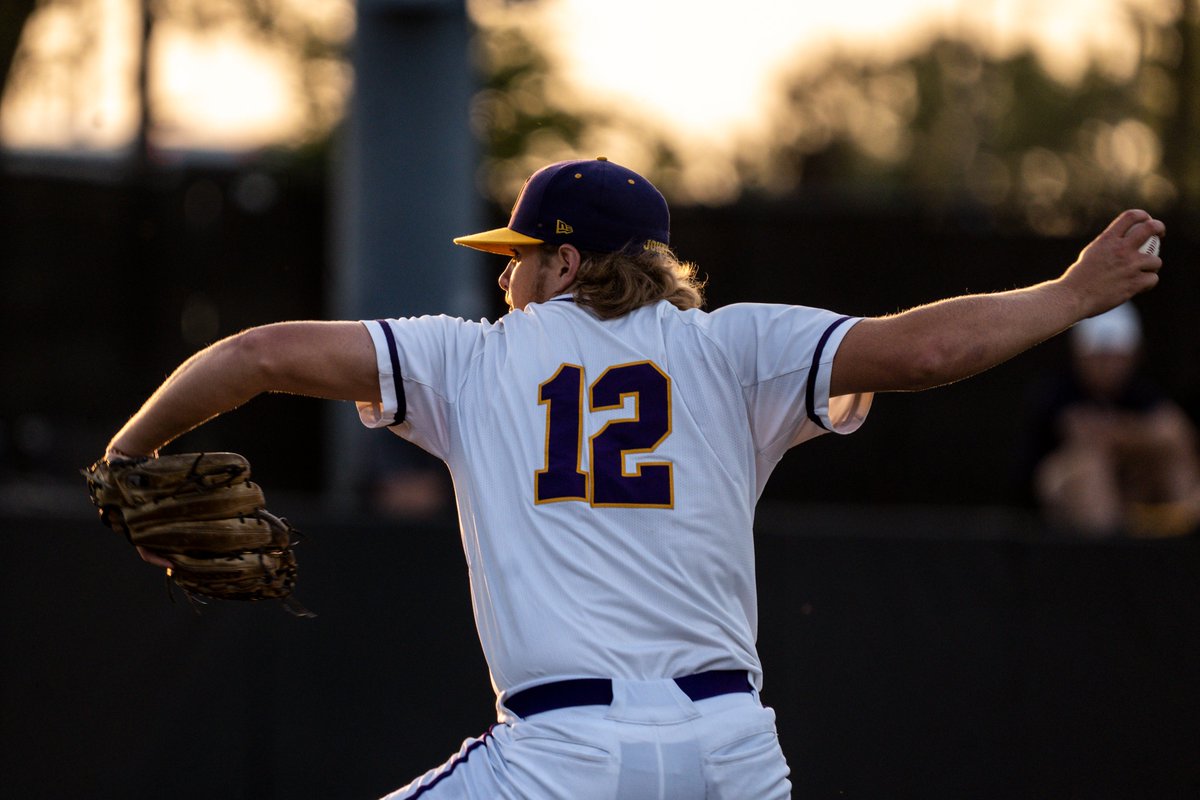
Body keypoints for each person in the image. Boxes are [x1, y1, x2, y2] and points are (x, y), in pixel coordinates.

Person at [103, 156, 1165, 798]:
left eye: (518, 252)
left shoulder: (469, 357)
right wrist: (1070, 292)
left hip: (561, 753)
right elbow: (923, 353)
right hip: (734, 751)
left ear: (567, 263)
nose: (503, 270)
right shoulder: (737, 348)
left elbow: (254, 354)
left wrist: (129, 452)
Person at [1022, 301, 1200, 538]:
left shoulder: (1142, 391)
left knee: (1175, 462)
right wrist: (1138, 434)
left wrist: (1124, 436)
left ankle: (1183, 544)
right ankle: (1109, 558)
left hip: (1132, 492)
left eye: (1117, 358)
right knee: (1091, 469)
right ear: (1080, 356)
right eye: (1100, 357)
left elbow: (1176, 433)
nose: (1109, 367)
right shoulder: (1058, 392)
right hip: (1060, 496)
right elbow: (1084, 435)